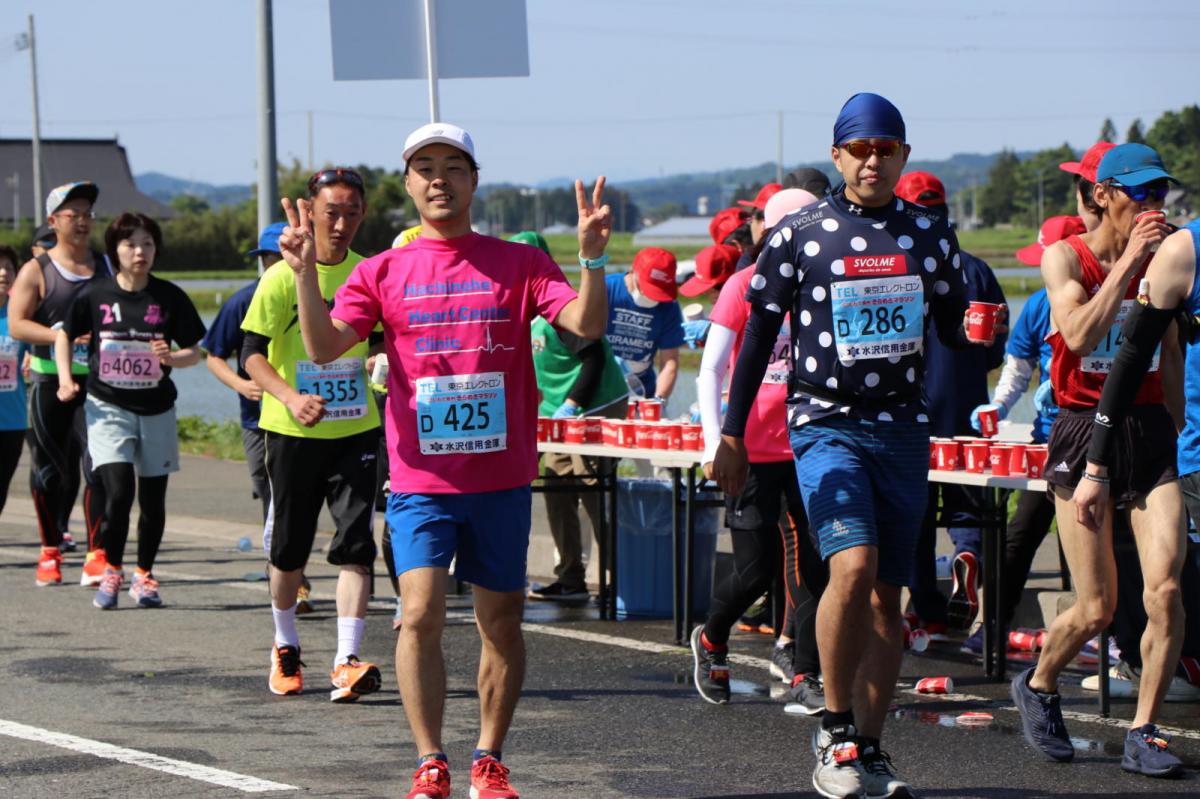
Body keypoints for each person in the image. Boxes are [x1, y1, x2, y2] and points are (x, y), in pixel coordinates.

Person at [278, 121, 609, 799]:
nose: (438, 178)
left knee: (501, 623)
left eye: (453, 166)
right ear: (408, 184)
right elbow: (321, 348)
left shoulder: (517, 262)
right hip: (421, 481)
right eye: (424, 167)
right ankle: (431, 758)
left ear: (473, 180)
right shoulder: (382, 271)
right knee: (422, 610)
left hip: (501, 479)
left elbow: (586, 326)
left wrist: (594, 260)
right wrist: (305, 274)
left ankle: (489, 757)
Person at [712, 92, 987, 799]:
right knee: (854, 565)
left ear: (903, 156)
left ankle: (870, 743)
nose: (872, 160)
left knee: (888, 598)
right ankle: (833, 727)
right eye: (859, 149)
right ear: (838, 155)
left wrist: (976, 328)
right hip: (825, 422)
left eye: (885, 149)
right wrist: (734, 432)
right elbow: (753, 343)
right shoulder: (802, 233)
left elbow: (956, 329)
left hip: (901, 426)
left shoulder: (929, 233)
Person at [1012, 142, 1185, 778]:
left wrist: (1175, 417)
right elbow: (1080, 334)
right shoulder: (1066, 255)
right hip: (1082, 429)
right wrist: (1132, 262)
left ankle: (1145, 730)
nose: (1153, 205)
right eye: (1141, 193)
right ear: (1105, 194)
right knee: (1097, 608)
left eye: (1160, 192)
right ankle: (1039, 682)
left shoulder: (1165, 257)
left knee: (1164, 590)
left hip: (1148, 433)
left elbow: (1169, 343)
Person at [240, 167, 383, 703]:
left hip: (355, 430)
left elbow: (378, 342)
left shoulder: (369, 272)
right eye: (331, 211)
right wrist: (290, 397)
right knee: (289, 550)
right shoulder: (280, 276)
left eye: (351, 212)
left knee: (355, 545)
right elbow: (250, 354)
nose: (341, 223)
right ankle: (285, 645)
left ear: (363, 215)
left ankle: (346, 658)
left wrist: (383, 362)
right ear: (310, 210)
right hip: (292, 430)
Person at [691, 190, 826, 714]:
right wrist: (716, 442)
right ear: (766, 233)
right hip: (750, 449)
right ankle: (712, 637)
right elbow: (709, 370)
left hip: (811, 443)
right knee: (753, 570)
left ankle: (804, 671)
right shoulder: (742, 286)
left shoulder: (823, 287)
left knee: (814, 566)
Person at [56, 213, 205, 609]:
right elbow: (64, 335)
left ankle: (144, 575)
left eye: (148, 244)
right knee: (118, 491)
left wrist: (172, 357)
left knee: (153, 499)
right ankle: (112, 570)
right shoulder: (95, 294)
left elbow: (197, 351)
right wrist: (65, 379)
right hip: (107, 406)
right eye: (130, 244)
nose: (140, 252)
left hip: (156, 408)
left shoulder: (169, 296)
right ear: (115, 250)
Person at [961, 215, 1088, 656]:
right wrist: (999, 404)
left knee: (1096, 541)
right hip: (1047, 442)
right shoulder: (1036, 305)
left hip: (1096, 441)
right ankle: (991, 628)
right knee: (1020, 534)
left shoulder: (1105, 298)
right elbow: (1017, 370)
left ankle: (1110, 640)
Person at [896, 170, 1007, 638]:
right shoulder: (978, 269)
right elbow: (999, 346)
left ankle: (928, 608)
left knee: (917, 514)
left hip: (913, 408)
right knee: (967, 505)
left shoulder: (899, 266)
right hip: (968, 407)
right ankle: (967, 554)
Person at [204, 224, 317, 615]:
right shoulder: (243, 301)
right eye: (268, 258)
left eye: (279, 256)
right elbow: (213, 355)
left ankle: (312, 577)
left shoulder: (316, 291)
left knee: (313, 501)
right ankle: (290, 578)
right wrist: (241, 384)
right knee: (275, 497)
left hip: (317, 420)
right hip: (259, 421)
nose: (274, 264)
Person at [9, 182, 108, 587]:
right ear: (53, 221)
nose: (82, 221)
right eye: (73, 214)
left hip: (101, 383)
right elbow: (17, 323)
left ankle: (97, 552)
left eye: (87, 213)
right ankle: (50, 549)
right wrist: (62, 335)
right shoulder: (38, 269)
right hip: (50, 381)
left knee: (99, 468)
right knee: (50, 470)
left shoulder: (105, 266)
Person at [523, 231, 629, 603]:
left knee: (591, 488)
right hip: (559, 417)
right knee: (555, 484)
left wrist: (572, 404)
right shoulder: (523, 307)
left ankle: (622, 578)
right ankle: (570, 577)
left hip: (595, 403)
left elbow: (595, 359)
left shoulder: (558, 302)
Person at [605, 247, 684, 406]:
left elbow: (669, 361)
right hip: (600, 388)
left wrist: (658, 402)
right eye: (648, 289)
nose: (651, 297)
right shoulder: (606, 289)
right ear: (633, 272)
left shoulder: (669, 306)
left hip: (641, 391)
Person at [0, 246, 28, 520]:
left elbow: (39, 351)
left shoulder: (20, 317)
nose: (3, 273)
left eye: (8, 267)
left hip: (13, 420)